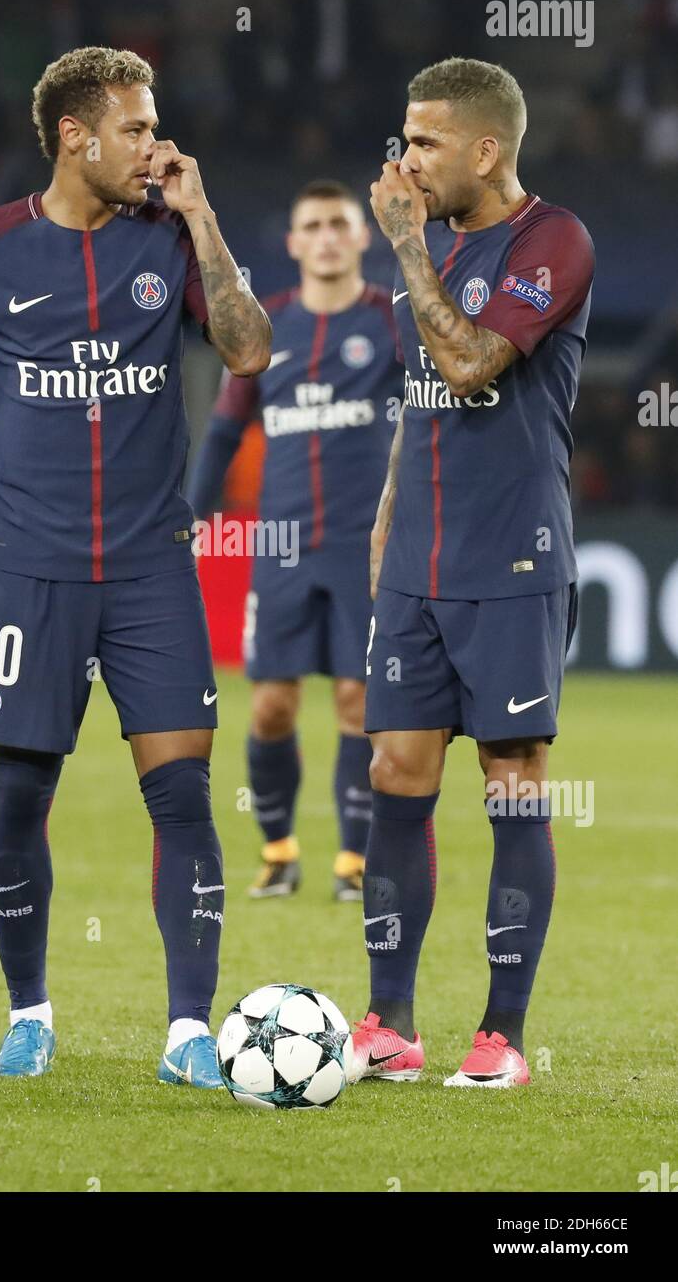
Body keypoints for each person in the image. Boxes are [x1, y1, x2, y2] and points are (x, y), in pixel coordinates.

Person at [0, 46, 271, 1085]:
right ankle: (30, 1015)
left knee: (183, 796)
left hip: (151, 566)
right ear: (75, 135)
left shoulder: (167, 237)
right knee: (16, 799)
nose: (155, 144)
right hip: (29, 565)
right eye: (138, 127)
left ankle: (187, 1030)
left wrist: (202, 218)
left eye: (154, 126)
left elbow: (246, 350)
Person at [348, 57, 595, 1088]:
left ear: (484, 149)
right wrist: (387, 518)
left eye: (424, 142)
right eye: (403, 139)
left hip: (512, 559)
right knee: (392, 777)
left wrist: (404, 244)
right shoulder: (439, 246)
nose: (404, 161)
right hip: (417, 566)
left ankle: (499, 1035)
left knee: (512, 787)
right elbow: (422, 399)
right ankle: (388, 1023)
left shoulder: (552, 241)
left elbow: (467, 362)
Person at [188, 181, 402, 900]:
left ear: (362, 237)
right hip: (280, 546)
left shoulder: (393, 321)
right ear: (294, 242)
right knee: (271, 705)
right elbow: (222, 431)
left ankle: (353, 863)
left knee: (355, 703)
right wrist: (191, 514)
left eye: (340, 224)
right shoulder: (266, 326)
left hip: (361, 548)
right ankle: (279, 853)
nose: (328, 237)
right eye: (313, 225)